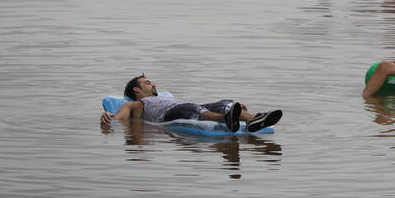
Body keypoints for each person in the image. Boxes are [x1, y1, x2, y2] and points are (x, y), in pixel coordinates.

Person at [100, 75, 282, 132]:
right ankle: (227, 118)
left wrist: (237, 109)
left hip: (185, 105)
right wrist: (109, 117)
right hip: (169, 113)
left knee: (226, 102)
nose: (153, 84)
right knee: (194, 109)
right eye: (147, 82)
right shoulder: (135, 104)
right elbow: (117, 120)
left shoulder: (165, 96)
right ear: (136, 90)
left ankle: (254, 119)